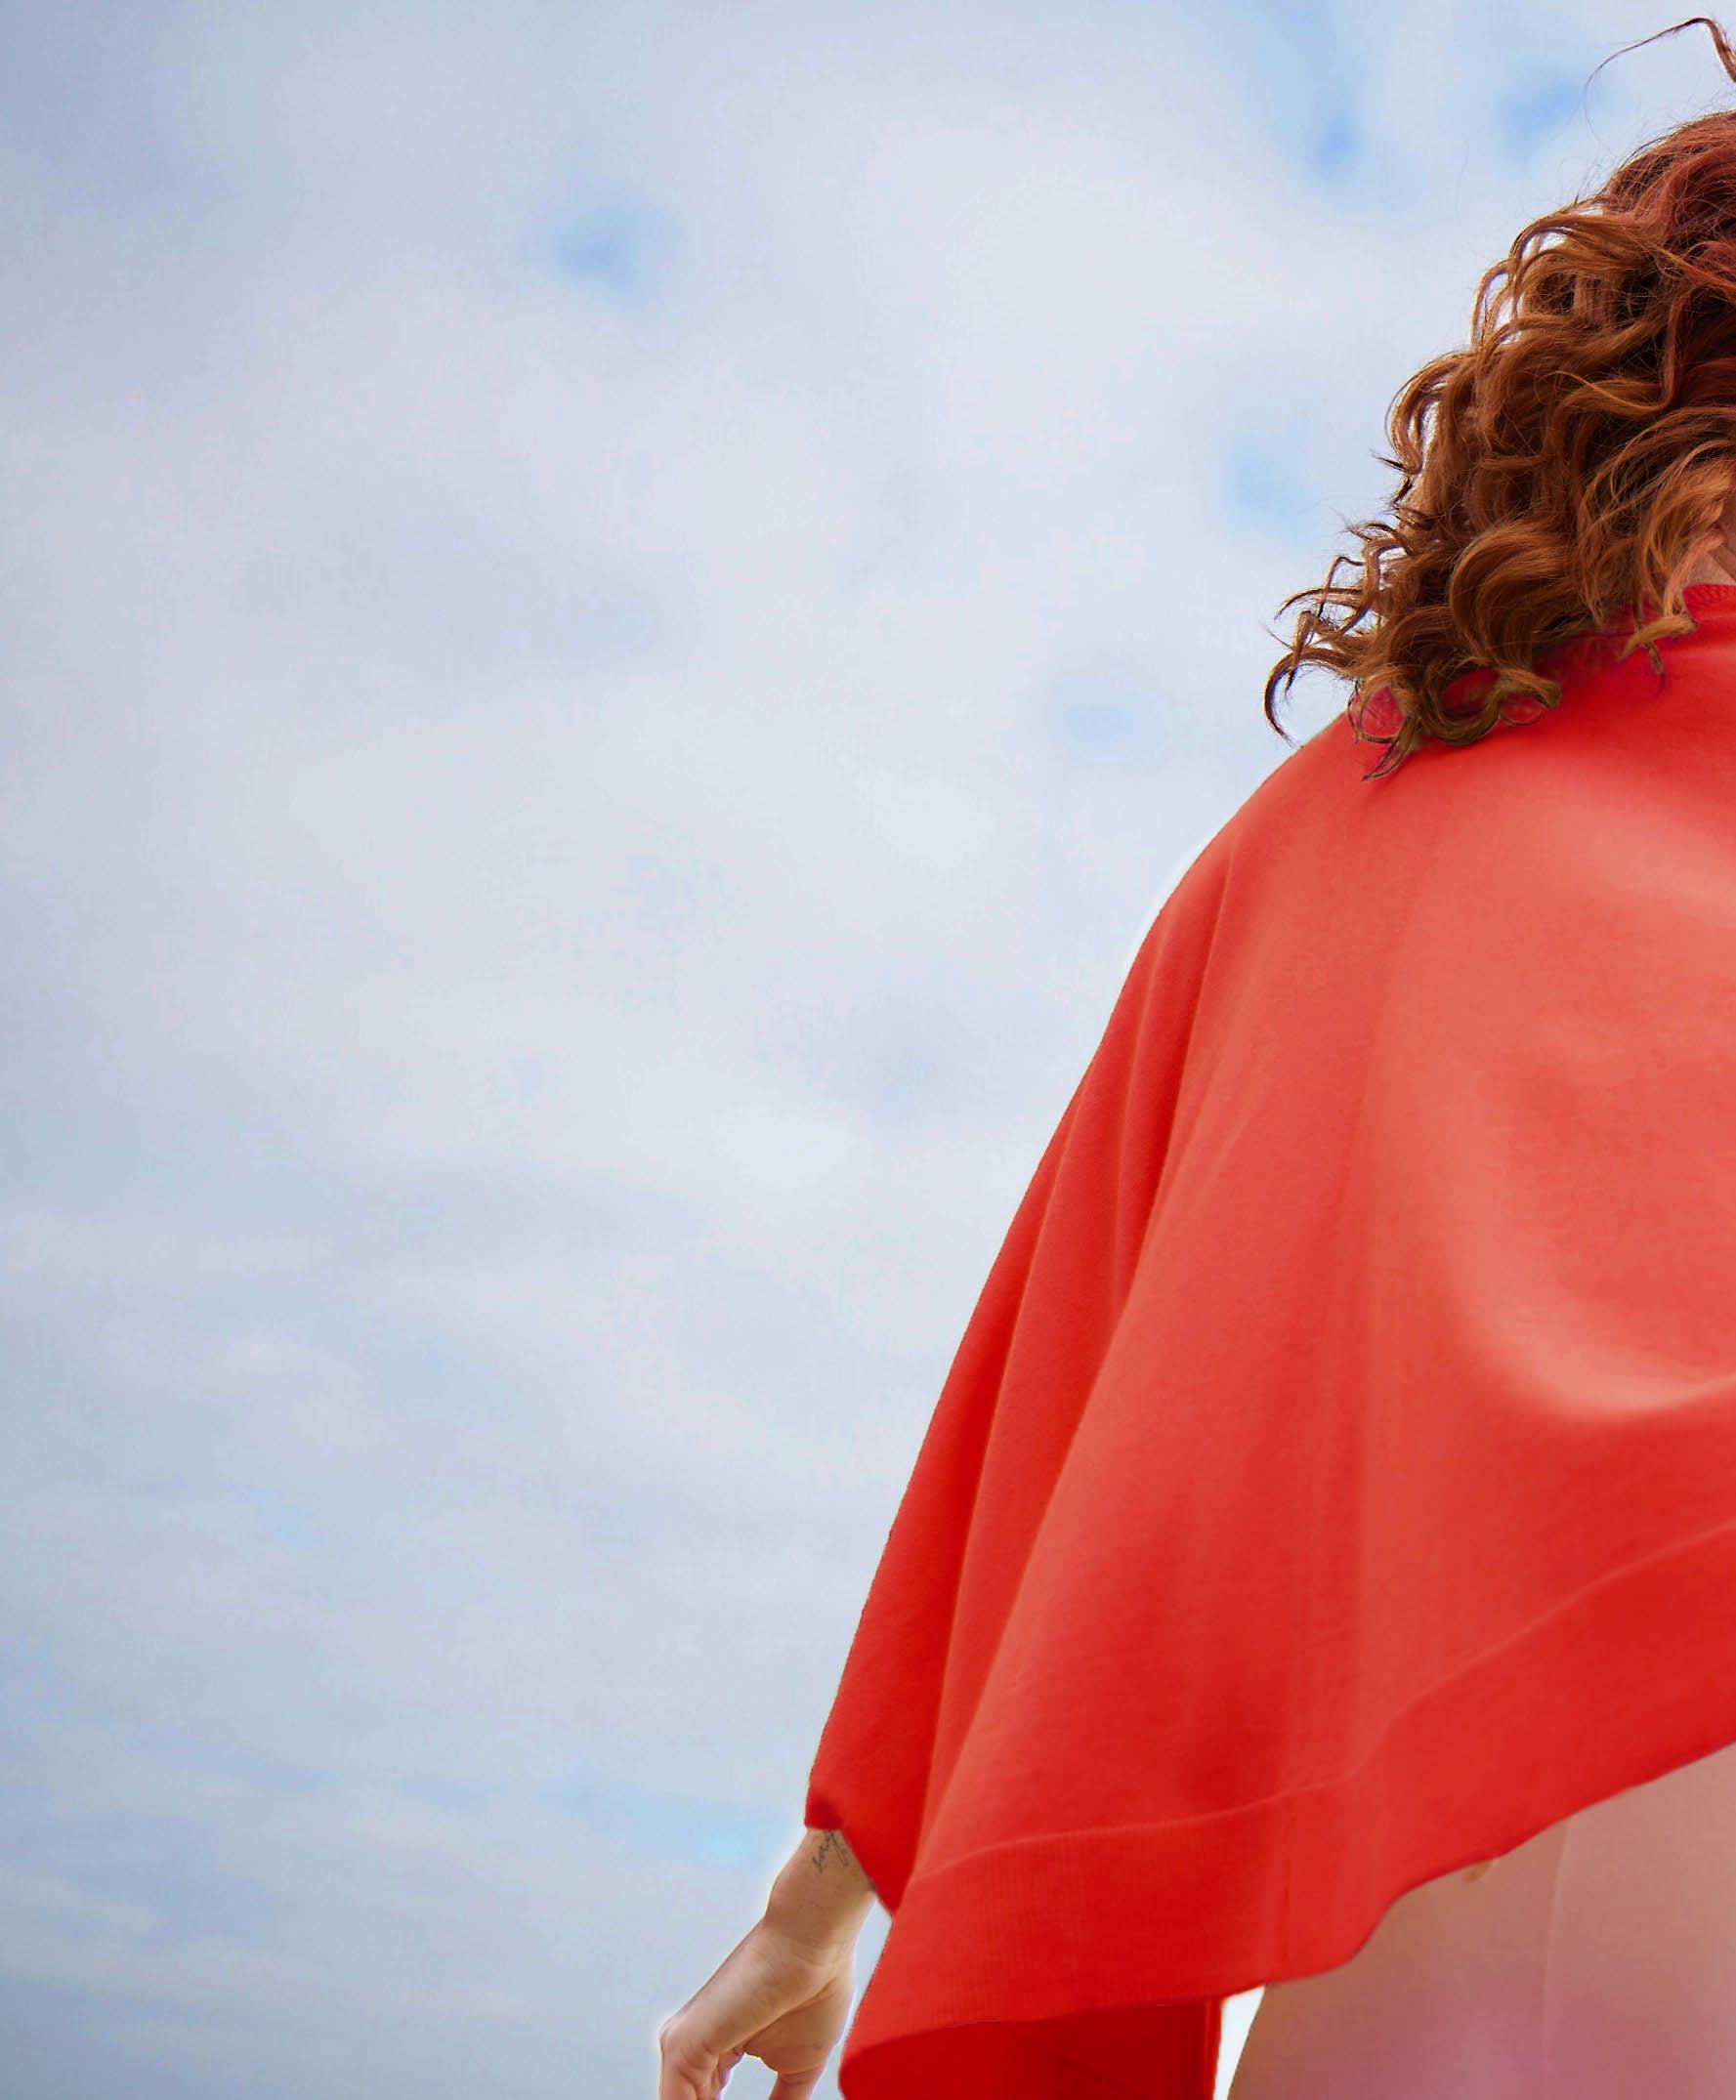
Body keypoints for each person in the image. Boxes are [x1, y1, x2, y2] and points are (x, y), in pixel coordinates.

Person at [655, 17, 1736, 2100]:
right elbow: (1066, 1340)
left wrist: (822, 1893)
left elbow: (1052, 1361)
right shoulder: (1355, 820)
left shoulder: (1354, 808)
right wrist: (824, 1886)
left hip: (1446, 1931)